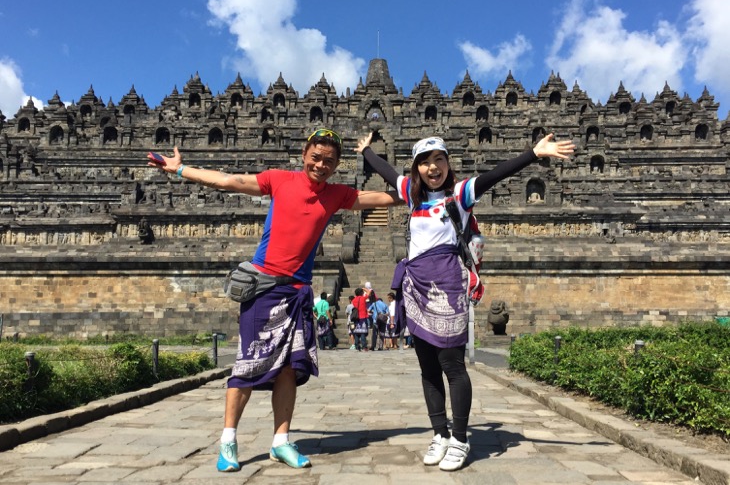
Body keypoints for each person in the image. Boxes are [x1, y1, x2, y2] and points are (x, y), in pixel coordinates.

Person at [147, 128, 399, 472]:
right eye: (316, 158)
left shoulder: (338, 195)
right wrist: (179, 169)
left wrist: (427, 192)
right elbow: (229, 181)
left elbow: (385, 199)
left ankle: (281, 441)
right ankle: (228, 441)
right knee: (247, 365)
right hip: (264, 285)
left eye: (329, 161)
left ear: (337, 164)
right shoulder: (280, 180)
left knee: (289, 368)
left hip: (297, 291)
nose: (321, 165)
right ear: (303, 154)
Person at [356, 131, 574, 471]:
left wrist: (534, 153)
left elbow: (495, 175)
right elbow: (384, 169)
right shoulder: (411, 197)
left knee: (452, 366)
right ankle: (439, 434)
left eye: (439, 160)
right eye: (425, 162)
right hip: (417, 289)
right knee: (427, 369)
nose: (432, 168)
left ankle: (459, 438)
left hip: (448, 288)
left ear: (447, 164)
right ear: (416, 168)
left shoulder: (459, 195)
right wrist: (366, 150)